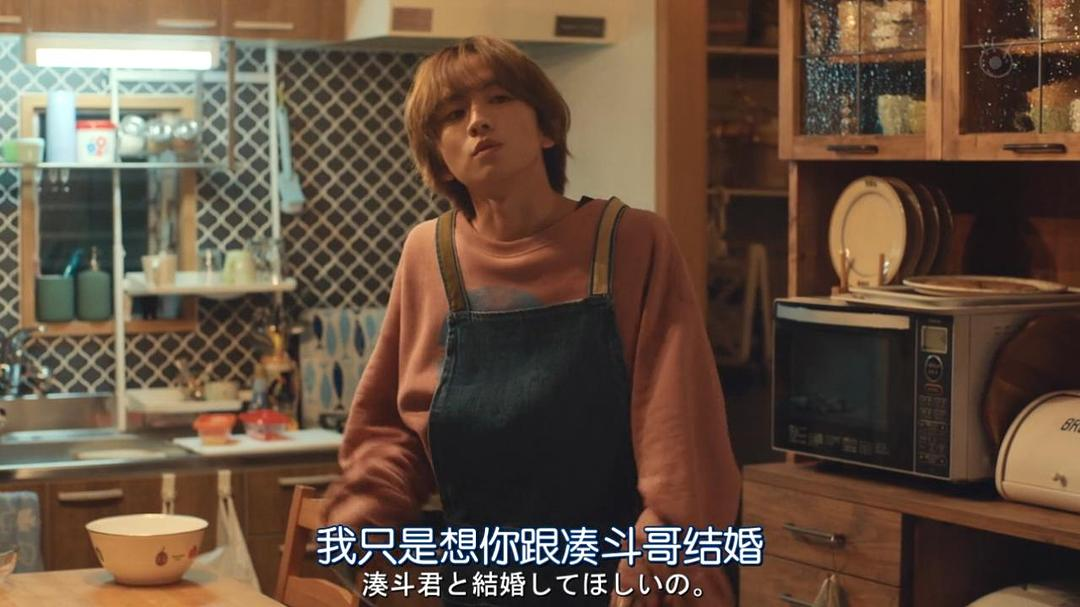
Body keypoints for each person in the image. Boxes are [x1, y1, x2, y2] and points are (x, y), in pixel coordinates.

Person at [324, 35, 741, 607]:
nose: (477, 121)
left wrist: (657, 569)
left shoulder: (631, 241)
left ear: (546, 128)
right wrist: (364, 525)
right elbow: (391, 435)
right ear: (439, 157)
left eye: (498, 98)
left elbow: (680, 443)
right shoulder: (429, 254)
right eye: (453, 114)